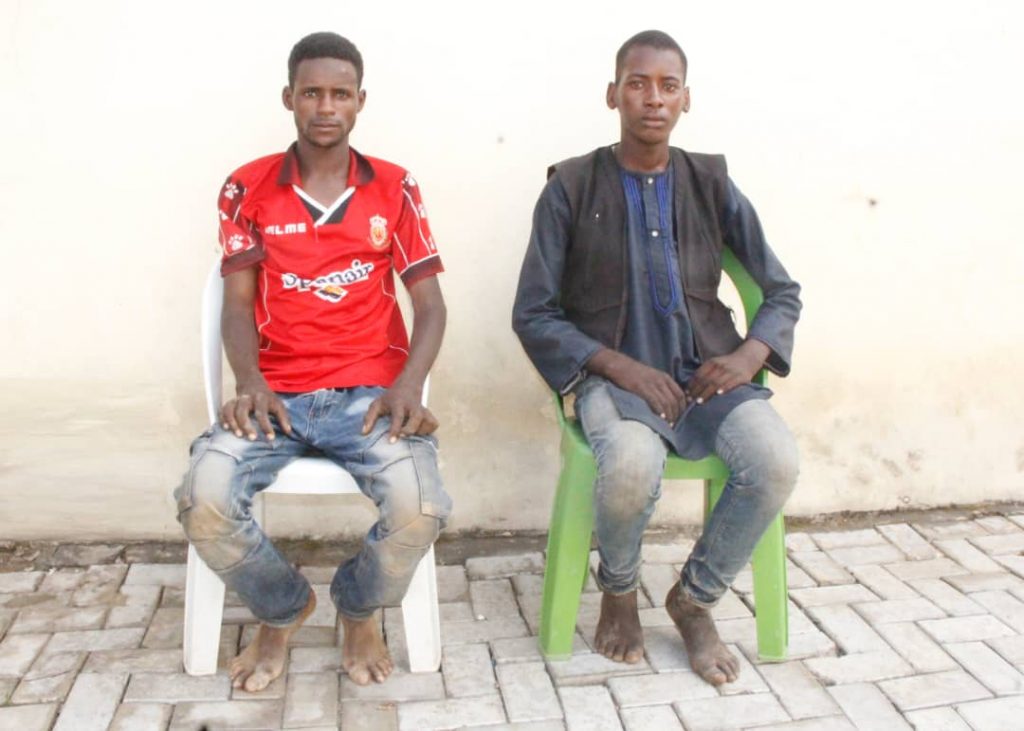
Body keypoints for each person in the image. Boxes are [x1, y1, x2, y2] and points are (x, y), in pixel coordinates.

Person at [512, 30, 801, 686]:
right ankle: (618, 591)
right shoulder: (570, 186)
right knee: (631, 464)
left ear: (686, 99)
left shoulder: (710, 182)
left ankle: (693, 600)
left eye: (668, 86)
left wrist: (748, 355)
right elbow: (533, 311)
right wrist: (619, 367)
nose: (653, 98)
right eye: (638, 84)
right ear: (612, 94)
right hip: (613, 381)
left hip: (706, 378)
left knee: (775, 462)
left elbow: (781, 290)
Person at [175, 31, 451, 691]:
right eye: (311, 93)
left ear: (360, 101)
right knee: (202, 498)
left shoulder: (395, 186)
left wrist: (409, 386)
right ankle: (283, 606)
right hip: (277, 396)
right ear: (289, 98)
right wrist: (249, 381)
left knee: (421, 508)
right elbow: (236, 306)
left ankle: (357, 607)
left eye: (340, 94)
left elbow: (431, 307)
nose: (326, 107)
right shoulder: (247, 187)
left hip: (369, 398)